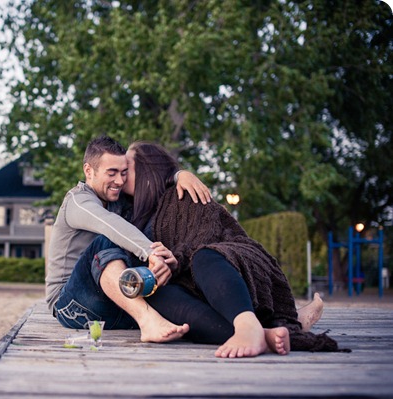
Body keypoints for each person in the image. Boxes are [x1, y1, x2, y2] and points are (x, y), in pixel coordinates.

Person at [122, 141, 341, 355]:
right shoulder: (128, 209)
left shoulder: (185, 192)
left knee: (204, 256)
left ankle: (247, 324)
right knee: (155, 294)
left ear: (147, 168)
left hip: (228, 263)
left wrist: (175, 259)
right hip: (191, 286)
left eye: (127, 168)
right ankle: (263, 334)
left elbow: (204, 235)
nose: (121, 175)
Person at [45, 135, 211, 343]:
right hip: (70, 305)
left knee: (152, 235)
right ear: (89, 171)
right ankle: (147, 320)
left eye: (124, 173)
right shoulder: (78, 202)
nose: (120, 181)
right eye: (112, 173)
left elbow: (150, 182)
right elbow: (110, 224)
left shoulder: (115, 198)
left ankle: (231, 325)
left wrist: (179, 175)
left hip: (114, 306)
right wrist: (151, 252)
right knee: (105, 243)